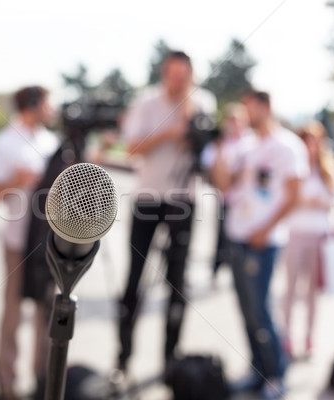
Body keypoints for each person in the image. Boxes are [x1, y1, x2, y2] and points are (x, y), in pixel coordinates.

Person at [117, 50, 216, 375]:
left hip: (183, 199)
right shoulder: (147, 102)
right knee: (135, 278)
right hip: (148, 197)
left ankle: (171, 360)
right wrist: (168, 133)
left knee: (177, 282)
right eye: (173, 76)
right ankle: (124, 356)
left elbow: (207, 148)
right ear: (164, 74)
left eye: (183, 77)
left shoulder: (203, 102)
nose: (177, 82)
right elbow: (131, 148)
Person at [213, 90, 308, 399]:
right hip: (238, 236)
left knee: (262, 311)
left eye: (250, 107)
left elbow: (294, 196)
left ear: (265, 107)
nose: (246, 114)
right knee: (246, 310)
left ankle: (277, 375)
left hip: (262, 242)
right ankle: (257, 371)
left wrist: (265, 230)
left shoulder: (287, 145)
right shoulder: (246, 146)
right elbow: (224, 184)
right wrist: (220, 148)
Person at [0, 86, 58, 400]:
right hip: (17, 242)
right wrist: (16, 182)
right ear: (33, 104)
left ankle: (43, 380)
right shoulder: (6, 142)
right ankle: (7, 383)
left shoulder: (52, 142)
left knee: (48, 312)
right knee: (13, 312)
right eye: (47, 102)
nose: (51, 108)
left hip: (48, 243)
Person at [282, 121, 334, 359]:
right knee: (290, 288)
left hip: (320, 235)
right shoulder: (294, 167)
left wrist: (319, 202)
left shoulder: (329, 168)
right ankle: (286, 334)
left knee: (312, 291)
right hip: (295, 233)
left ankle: (309, 336)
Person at [203, 102, 250, 284]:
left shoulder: (250, 142)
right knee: (222, 234)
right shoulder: (220, 143)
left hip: (244, 201)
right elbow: (210, 165)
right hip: (225, 198)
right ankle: (217, 267)